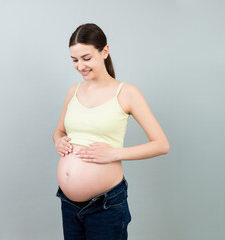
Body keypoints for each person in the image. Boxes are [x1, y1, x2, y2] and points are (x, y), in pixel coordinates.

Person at [53, 23, 170, 240]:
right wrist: (58, 141)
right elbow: (59, 131)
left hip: (105, 205)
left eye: (86, 58)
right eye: (74, 60)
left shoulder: (126, 93)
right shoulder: (73, 91)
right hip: (68, 204)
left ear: (104, 51)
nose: (80, 66)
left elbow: (162, 144)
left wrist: (114, 153)